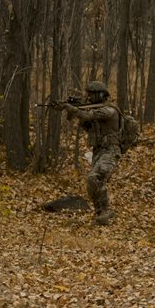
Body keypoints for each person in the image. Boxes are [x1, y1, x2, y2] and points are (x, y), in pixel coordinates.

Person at [59, 80, 128, 226]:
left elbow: (89, 115)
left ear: (100, 95)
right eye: (88, 95)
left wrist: (74, 109)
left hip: (110, 151)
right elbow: (86, 123)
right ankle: (101, 212)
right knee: (93, 183)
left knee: (94, 177)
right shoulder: (93, 110)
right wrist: (71, 111)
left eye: (91, 95)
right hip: (98, 151)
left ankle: (105, 211)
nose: (88, 97)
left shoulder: (109, 110)